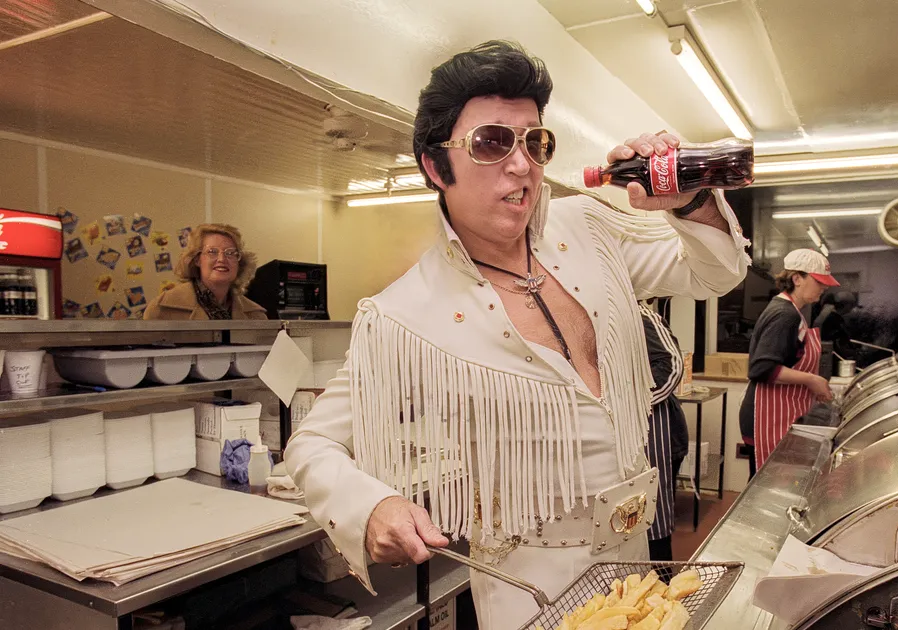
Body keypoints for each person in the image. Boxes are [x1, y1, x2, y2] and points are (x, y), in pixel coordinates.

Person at [283, 41, 751, 630]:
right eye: (491, 142)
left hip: (636, 570)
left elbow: (717, 271)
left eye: (534, 141)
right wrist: (370, 506)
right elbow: (311, 445)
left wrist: (690, 202)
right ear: (435, 166)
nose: (523, 163)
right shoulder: (404, 314)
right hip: (528, 592)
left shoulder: (589, 231)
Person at [739, 249, 836, 468]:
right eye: (819, 281)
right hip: (767, 418)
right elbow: (761, 368)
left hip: (777, 415)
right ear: (797, 279)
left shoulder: (792, 311)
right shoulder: (785, 314)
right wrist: (813, 380)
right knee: (767, 489)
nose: (824, 287)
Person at [638, 302, 689, 563]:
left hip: (653, 431)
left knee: (653, 520)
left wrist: (624, 406)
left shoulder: (638, 312)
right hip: (627, 435)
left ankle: (661, 589)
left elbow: (671, 366)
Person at [144, 223, 267, 320]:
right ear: (197, 259)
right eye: (212, 252)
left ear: (239, 262)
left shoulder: (256, 315)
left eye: (230, 253)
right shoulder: (161, 309)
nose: (222, 259)